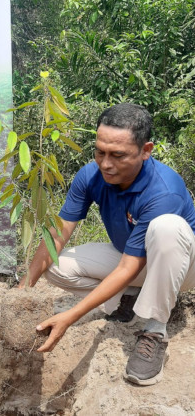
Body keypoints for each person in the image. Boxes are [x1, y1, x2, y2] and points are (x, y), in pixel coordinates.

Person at [21, 103, 195, 386]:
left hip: (183, 266)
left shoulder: (164, 191)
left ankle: (154, 330)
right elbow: (58, 233)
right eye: (100, 151)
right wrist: (22, 290)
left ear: (146, 150)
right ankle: (134, 297)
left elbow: (128, 266)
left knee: (166, 228)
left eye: (118, 155)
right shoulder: (91, 175)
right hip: (133, 258)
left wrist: (71, 316)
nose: (105, 163)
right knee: (57, 266)